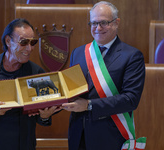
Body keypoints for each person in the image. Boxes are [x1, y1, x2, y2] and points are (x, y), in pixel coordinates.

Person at [0, 18, 61, 150]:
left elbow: (42, 111)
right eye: (24, 42)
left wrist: (44, 116)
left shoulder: (37, 72)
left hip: (21, 144)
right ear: (8, 41)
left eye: (32, 42)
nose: (29, 48)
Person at [62, 1, 146, 150]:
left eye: (104, 23)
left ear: (117, 22)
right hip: (78, 134)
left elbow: (130, 99)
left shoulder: (132, 56)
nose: (98, 28)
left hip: (109, 136)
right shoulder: (78, 52)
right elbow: (72, 91)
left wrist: (89, 105)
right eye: (94, 23)